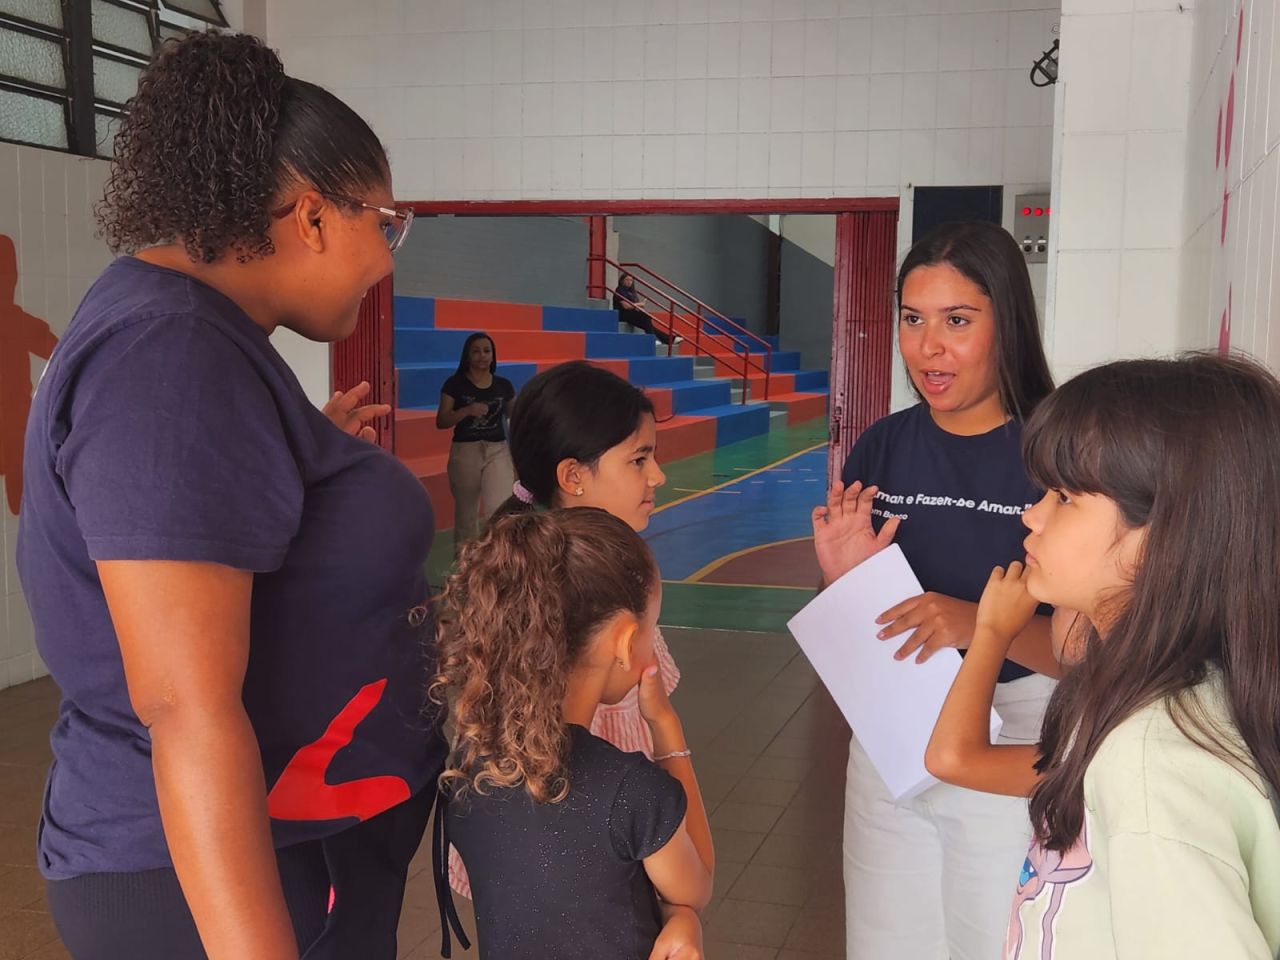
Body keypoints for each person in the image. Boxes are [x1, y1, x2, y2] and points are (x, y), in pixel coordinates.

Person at [16, 32, 444, 960]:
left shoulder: (195, 339)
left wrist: (314, 462)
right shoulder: (170, 358)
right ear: (313, 216)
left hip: (281, 849)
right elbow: (185, 706)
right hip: (198, 885)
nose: (387, 254)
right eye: (386, 221)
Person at [922, 354, 1280, 959]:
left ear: (1162, 535)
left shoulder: (1151, 769)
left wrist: (991, 630)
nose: (1031, 515)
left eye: (1063, 497)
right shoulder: (1137, 709)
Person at [811, 220, 1060, 960]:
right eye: (913, 320)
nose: (928, 347)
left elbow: (1089, 648)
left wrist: (976, 624)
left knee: (995, 939)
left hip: (1014, 729)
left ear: (1006, 322)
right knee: (886, 941)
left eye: (958, 320)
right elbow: (871, 629)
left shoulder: (1056, 450)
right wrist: (846, 579)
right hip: (895, 726)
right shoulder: (883, 445)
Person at [445, 359, 683, 898]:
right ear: (573, 476)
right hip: (586, 857)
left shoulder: (567, 568)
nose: (658, 476)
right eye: (640, 459)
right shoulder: (554, 590)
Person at [433, 507, 714, 959]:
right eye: (651, 627)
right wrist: (665, 726)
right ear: (624, 641)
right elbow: (695, 886)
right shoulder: (631, 791)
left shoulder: (468, 769)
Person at [437, 332, 516, 549]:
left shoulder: (504, 385)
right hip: (466, 450)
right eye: (476, 351)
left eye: (487, 351)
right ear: (467, 356)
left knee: (500, 510)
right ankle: (465, 568)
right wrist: (466, 411)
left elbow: (514, 416)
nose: (482, 355)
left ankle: (497, 561)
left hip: (497, 449)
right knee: (466, 515)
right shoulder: (454, 384)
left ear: (493, 356)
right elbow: (442, 421)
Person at [613, 272, 677, 345]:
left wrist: (638, 307)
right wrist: (640, 304)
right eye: (627, 279)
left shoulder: (631, 292)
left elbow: (633, 306)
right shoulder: (619, 290)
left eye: (631, 280)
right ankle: (654, 339)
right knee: (646, 317)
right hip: (622, 314)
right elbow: (626, 306)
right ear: (622, 281)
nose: (629, 282)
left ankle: (668, 339)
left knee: (647, 324)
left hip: (630, 314)